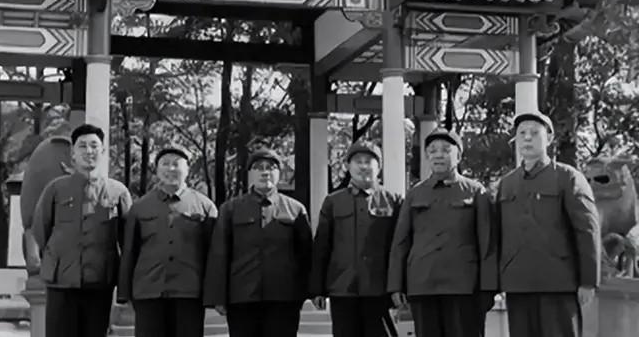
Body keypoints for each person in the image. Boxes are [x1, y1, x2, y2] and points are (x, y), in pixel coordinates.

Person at [497, 111, 601, 337]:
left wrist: (588, 281)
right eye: (522, 133)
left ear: (550, 138)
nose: (527, 138)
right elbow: (498, 235)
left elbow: (587, 230)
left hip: (558, 284)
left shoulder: (568, 177)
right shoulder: (507, 184)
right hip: (518, 284)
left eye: (535, 133)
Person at [387, 128, 497, 337]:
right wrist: (395, 285)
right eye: (433, 150)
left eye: (446, 150)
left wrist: (489, 287)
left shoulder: (475, 191)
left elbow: (487, 243)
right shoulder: (415, 194)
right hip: (423, 285)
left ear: (459, 155)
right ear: (427, 156)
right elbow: (401, 242)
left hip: (464, 287)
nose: (439, 155)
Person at [32, 123, 132, 337]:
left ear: (103, 151)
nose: (89, 151)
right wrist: (58, 257)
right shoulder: (56, 189)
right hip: (61, 281)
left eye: (94, 146)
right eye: (83, 146)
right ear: (73, 154)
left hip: (100, 281)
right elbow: (41, 230)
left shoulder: (118, 192)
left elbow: (127, 240)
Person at [203, 147, 313, 337]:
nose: (265, 172)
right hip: (241, 297)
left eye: (270, 167)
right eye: (258, 168)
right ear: (250, 174)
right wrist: (218, 297)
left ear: (279, 173)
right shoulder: (230, 209)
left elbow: (306, 256)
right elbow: (219, 254)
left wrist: (307, 293)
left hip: (283, 298)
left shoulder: (295, 210)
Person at [117, 146, 217, 337]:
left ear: (187, 170)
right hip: (149, 291)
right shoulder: (140, 207)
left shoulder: (205, 207)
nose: (171, 169)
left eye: (176, 164)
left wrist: (213, 294)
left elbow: (213, 254)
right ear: (156, 170)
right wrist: (124, 292)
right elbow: (129, 251)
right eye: (165, 164)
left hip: (189, 293)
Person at [309, 142, 402, 337]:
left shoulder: (393, 201)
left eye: (369, 161)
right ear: (347, 166)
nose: (363, 166)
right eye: (358, 161)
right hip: (343, 288)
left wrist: (398, 286)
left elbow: (400, 247)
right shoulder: (333, 202)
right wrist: (317, 288)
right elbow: (322, 247)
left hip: (380, 289)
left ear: (379, 166)